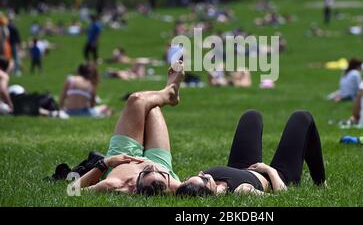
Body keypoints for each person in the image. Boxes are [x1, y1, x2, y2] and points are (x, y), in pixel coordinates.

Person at [76, 61, 185, 195]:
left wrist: (106, 162)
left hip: (124, 157)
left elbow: (72, 190)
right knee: (152, 106)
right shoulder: (173, 185)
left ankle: (169, 92)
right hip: (160, 160)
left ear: (133, 187)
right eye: (161, 174)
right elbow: (212, 186)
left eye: (147, 171)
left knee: (137, 99)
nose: (150, 165)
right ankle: (170, 92)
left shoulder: (115, 184)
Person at [176, 110, 326, 196]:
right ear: (209, 190)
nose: (203, 173)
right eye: (204, 179)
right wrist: (269, 170)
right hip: (277, 176)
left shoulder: (203, 184)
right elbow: (282, 197)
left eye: (197, 175)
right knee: (302, 118)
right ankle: (321, 183)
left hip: (242, 166)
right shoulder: (241, 191)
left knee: (251, 116)